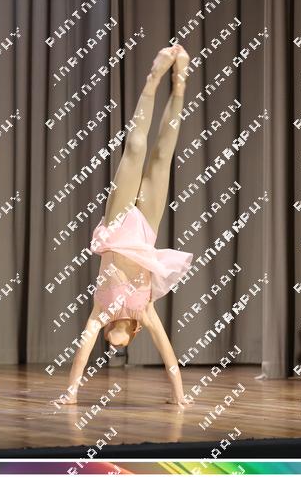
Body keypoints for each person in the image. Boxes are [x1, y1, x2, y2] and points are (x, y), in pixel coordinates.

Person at [63, 45, 193, 406]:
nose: (114, 341)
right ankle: (179, 84)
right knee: (162, 155)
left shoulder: (101, 311)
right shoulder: (144, 312)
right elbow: (168, 354)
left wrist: (71, 394)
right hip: (144, 232)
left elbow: (83, 352)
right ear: (133, 334)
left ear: (109, 330)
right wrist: (180, 397)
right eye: (119, 343)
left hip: (118, 226)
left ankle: (153, 80)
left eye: (110, 340)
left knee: (135, 149)